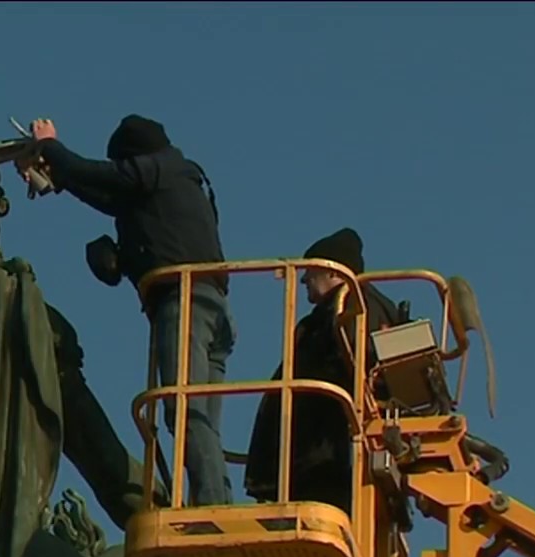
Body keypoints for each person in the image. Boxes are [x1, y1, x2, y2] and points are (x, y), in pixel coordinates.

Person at [22, 114, 235, 507]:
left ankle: (212, 507)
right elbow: (109, 196)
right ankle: (216, 498)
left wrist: (49, 145)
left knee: (183, 411)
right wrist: (61, 179)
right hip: (213, 308)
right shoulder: (176, 180)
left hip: (184, 301)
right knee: (202, 420)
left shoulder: (155, 167)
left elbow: (99, 176)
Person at [243, 228, 400, 515]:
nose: (303, 280)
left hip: (323, 462)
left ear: (334, 272)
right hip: (319, 461)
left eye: (311, 272)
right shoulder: (350, 311)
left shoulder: (351, 308)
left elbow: (355, 367)